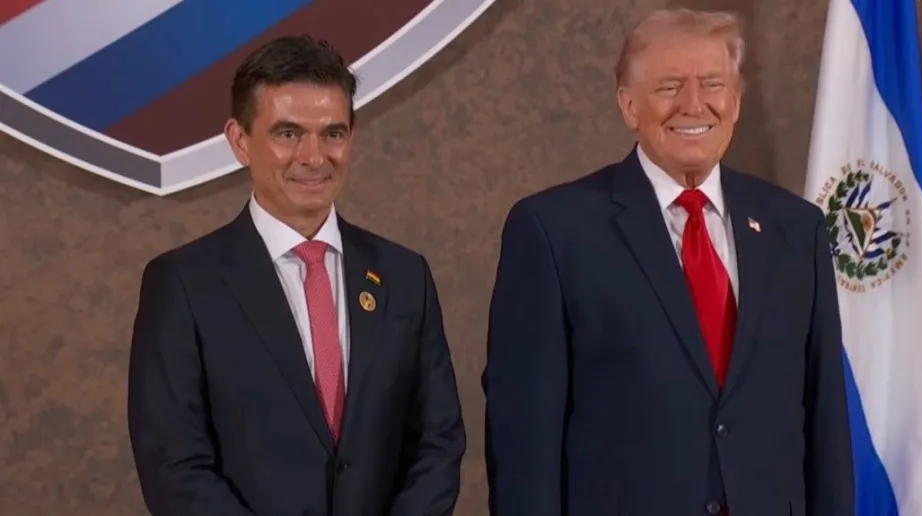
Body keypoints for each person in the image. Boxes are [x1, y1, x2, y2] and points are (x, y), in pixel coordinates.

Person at [483, 8, 854, 516]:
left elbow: (827, 422)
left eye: (712, 84)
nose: (693, 104)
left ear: (737, 101)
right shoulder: (553, 232)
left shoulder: (798, 229)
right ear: (629, 106)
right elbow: (524, 443)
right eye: (670, 86)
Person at [127, 35, 465, 516]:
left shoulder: (404, 276)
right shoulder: (183, 285)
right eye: (288, 134)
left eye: (333, 133)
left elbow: (438, 441)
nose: (314, 156)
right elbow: (175, 467)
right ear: (239, 141)